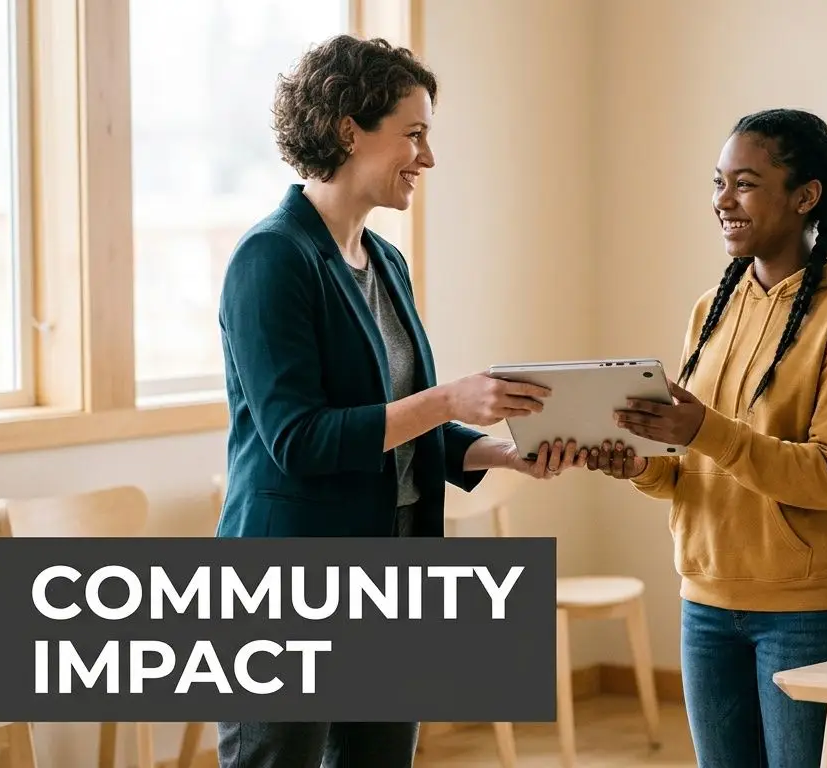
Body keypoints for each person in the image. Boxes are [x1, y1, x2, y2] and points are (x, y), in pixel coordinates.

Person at [214, 34, 585, 767]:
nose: (428, 156)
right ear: (349, 129)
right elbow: (301, 440)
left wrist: (504, 454)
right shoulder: (272, 260)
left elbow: (399, 422)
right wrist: (449, 401)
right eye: (413, 134)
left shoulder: (385, 262)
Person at [590, 108, 827, 767]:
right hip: (705, 602)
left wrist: (706, 429)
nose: (722, 201)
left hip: (807, 614)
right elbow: (684, 470)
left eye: (746, 183)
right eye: (718, 182)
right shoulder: (712, 309)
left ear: (805, 196)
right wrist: (638, 463)